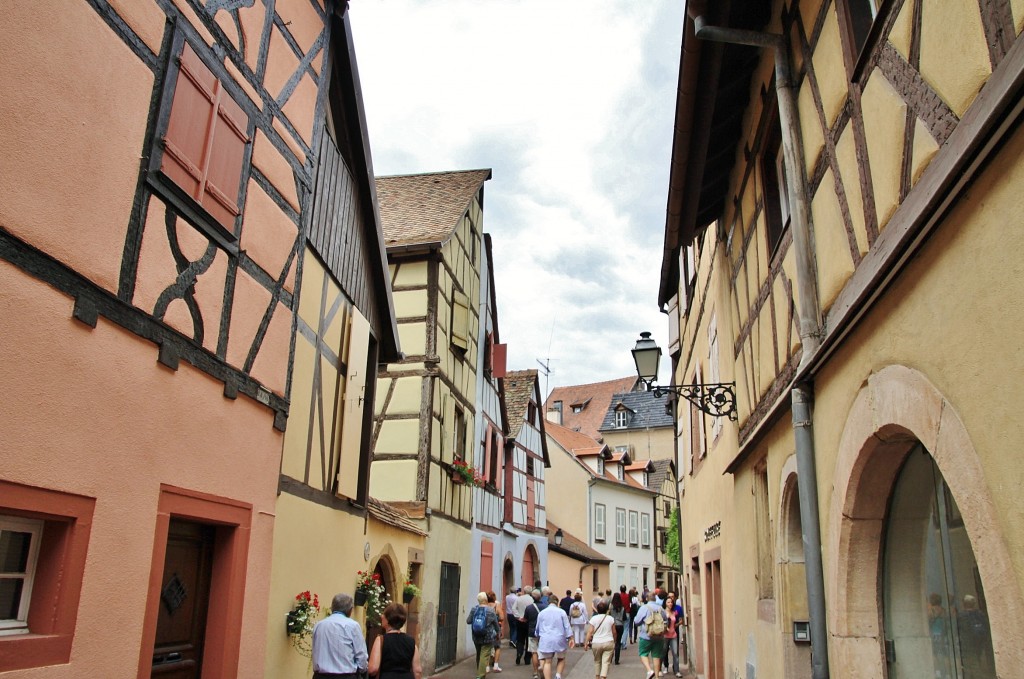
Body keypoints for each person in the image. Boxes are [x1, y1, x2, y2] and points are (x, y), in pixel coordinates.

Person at [312, 593, 369, 679]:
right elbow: (361, 656)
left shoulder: (319, 625)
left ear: (332, 608)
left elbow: (315, 650)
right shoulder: (352, 626)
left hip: (320, 676)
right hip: (345, 676)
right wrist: (362, 671)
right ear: (350, 610)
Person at [368, 602, 421, 679]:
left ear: (388, 619)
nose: (381, 616)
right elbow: (418, 671)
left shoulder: (381, 640)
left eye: (384, 614)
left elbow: (373, 669)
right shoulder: (411, 641)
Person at [535, 594, 574, 679]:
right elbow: (567, 626)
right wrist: (571, 638)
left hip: (546, 638)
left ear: (548, 602)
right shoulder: (562, 612)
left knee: (547, 661)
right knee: (561, 658)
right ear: (557, 602)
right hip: (559, 638)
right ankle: (558, 675)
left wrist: (537, 636)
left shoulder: (542, 613)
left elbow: (538, 627)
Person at [633, 593, 669, 679]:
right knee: (656, 656)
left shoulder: (644, 608)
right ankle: (657, 677)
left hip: (646, 636)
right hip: (659, 636)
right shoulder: (661, 608)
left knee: (643, 653)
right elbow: (666, 621)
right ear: (655, 599)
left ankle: (649, 670)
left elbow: (637, 622)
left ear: (646, 598)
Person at [467, 592, 500, 679]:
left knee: (478, 654)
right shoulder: (490, 610)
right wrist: (498, 634)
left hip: (476, 635)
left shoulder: (474, 609)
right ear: (486, 600)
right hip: (487, 636)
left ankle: (480, 671)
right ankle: (480, 676)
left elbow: (468, 621)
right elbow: (496, 625)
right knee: (484, 656)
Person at [583, 599, 617, 679]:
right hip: (608, 641)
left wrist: (586, 643)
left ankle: (597, 676)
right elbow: (614, 632)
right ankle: (603, 676)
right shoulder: (610, 619)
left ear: (597, 609)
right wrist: (614, 641)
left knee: (597, 661)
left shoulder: (593, 619)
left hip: (596, 642)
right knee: (606, 662)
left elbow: (590, 632)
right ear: (606, 610)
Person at [523, 589, 544, 678]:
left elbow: (525, 619)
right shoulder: (545, 607)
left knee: (534, 652)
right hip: (543, 632)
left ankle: (535, 672)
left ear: (532, 597)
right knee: (543, 652)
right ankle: (542, 668)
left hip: (532, 632)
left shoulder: (529, 608)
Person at [513, 587, 535, 666]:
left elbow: (513, 608)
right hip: (529, 621)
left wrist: (518, 617)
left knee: (520, 639)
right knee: (529, 640)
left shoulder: (519, 599)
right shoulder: (532, 600)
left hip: (520, 621)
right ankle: (527, 658)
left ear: (524, 591)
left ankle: (519, 653)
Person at [486, 591, 505, 673]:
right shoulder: (497, 606)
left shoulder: (484, 606)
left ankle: (486, 666)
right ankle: (495, 665)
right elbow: (502, 617)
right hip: (495, 629)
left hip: (486, 630)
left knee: (487, 648)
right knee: (497, 647)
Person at [662, 595, 681, 677]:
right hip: (665, 636)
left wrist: (679, 623)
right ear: (665, 603)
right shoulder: (662, 612)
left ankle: (677, 671)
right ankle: (661, 668)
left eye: (671, 602)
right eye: (668, 602)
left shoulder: (674, 612)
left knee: (675, 653)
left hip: (673, 635)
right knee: (663, 653)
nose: (670, 604)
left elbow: (675, 623)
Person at [609, 592, 627, 664]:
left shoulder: (611, 606)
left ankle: (610, 658)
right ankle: (616, 660)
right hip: (620, 625)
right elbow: (624, 618)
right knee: (618, 643)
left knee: (611, 642)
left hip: (612, 625)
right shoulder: (622, 607)